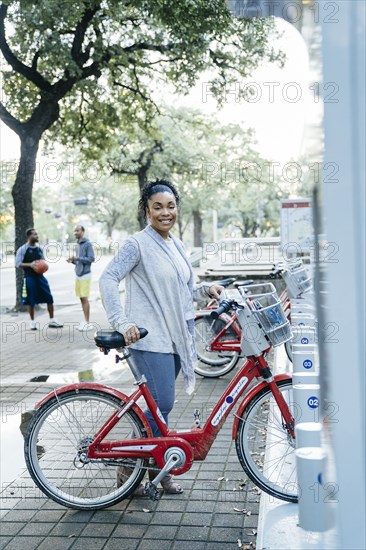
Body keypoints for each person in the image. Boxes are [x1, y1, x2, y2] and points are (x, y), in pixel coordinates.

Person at [99, 179, 223, 496]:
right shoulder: (137, 244)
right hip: (148, 338)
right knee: (161, 405)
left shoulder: (176, 245)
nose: (165, 212)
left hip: (175, 338)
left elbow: (182, 292)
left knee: (159, 410)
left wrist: (205, 291)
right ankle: (129, 474)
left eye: (170, 206)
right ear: (147, 211)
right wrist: (121, 320)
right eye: (158, 207)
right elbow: (108, 278)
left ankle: (157, 470)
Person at [15, 228, 64, 330]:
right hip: (29, 277)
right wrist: (31, 265)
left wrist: (43, 267)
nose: (37, 236)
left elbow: (43, 262)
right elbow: (17, 263)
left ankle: (52, 320)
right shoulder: (23, 249)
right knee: (31, 301)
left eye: (37, 234)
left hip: (40, 277)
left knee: (49, 298)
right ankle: (32, 322)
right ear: (29, 236)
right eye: (35, 235)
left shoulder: (40, 249)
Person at [67, 225, 95, 331]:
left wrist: (77, 258)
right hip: (78, 275)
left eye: (77, 231)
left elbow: (91, 259)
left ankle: (87, 322)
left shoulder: (87, 244)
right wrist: (73, 261)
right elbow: (79, 261)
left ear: (83, 232)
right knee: (81, 298)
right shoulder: (77, 244)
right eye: (74, 231)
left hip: (85, 275)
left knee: (84, 298)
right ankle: (85, 321)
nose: (75, 232)